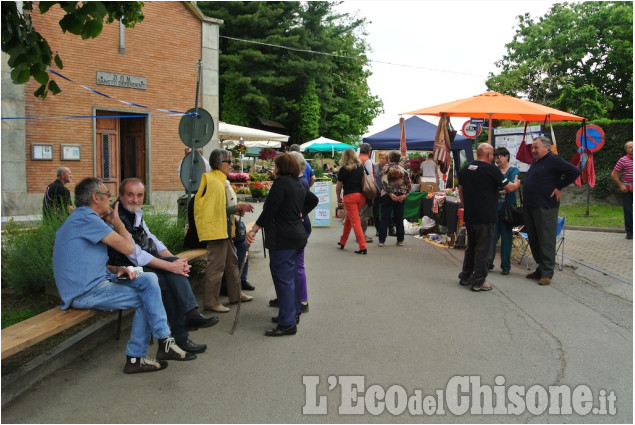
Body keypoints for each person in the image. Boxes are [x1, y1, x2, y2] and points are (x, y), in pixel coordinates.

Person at [53, 177, 193, 374]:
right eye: (108, 196)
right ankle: (144, 352)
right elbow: (128, 247)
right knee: (148, 297)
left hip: (97, 281)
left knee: (149, 280)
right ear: (95, 197)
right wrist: (117, 221)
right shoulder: (86, 218)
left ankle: (161, 343)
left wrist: (116, 270)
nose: (111, 201)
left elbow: (88, 260)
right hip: (84, 292)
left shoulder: (83, 218)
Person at [107, 178, 218, 354]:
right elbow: (133, 253)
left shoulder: (134, 212)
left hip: (138, 264)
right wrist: (170, 266)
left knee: (173, 268)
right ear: (120, 196)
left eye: (139, 195)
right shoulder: (115, 216)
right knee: (163, 281)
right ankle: (182, 331)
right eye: (130, 195)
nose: (135, 200)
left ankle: (187, 321)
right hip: (122, 269)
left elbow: (150, 238)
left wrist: (174, 260)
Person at [245, 153, 318, 336]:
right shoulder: (298, 183)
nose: (273, 169)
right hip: (296, 236)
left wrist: (253, 229)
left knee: (284, 279)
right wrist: (301, 213)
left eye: (275, 166)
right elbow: (313, 200)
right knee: (291, 276)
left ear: (280, 168)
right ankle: (292, 314)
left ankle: (287, 323)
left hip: (283, 238)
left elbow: (269, 210)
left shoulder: (281, 184)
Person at [194, 149, 254, 313]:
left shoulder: (217, 179)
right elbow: (212, 209)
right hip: (216, 230)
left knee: (231, 263)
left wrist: (234, 209)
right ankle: (211, 302)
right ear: (218, 164)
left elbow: (218, 208)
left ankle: (235, 294)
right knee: (216, 267)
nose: (232, 165)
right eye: (229, 162)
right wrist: (236, 207)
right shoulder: (214, 180)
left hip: (221, 229)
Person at [458, 144, 520, 292]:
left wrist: (466, 205)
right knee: (484, 249)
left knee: (471, 247)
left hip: (470, 214)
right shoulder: (492, 169)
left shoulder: (466, 168)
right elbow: (509, 187)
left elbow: (461, 189)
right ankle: (479, 281)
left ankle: (466, 276)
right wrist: (517, 184)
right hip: (486, 215)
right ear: (490, 156)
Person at [523, 136, 581, 286]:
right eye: (532, 147)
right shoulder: (537, 161)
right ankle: (540, 268)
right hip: (530, 204)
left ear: (546, 148)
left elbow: (574, 171)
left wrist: (559, 186)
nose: (533, 150)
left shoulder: (554, 159)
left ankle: (547, 272)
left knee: (546, 239)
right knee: (534, 238)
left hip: (545, 205)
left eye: (536, 147)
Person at [489, 147, 521, 275]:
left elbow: (513, 186)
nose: (497, 160)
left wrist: (502, 189)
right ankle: (488, 263)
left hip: (508, 209)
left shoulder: (514, 170)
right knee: (492, 237)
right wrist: (505, 188)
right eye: (495, 157)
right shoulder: (494, 170)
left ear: (506, 156)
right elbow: (505, 186)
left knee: (507, 238)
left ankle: (506, 266)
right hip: (494, 208)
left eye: (499, 157)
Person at [336, 148, 368, 254]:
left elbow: (338, 186)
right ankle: (342, 241)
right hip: (361, 197)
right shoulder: (360, 167)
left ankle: (363, 246)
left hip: (350, 197)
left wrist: (338, 197)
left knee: (355, 222)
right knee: (350, 219)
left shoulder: (343, 170)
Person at [378, 150, 411, 247]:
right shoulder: (404, 170)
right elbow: (409, 185)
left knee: (384, 217)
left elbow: (384, 183)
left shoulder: (386, 169)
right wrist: (404, 195)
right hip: (400, 196)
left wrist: (390, 193)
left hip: (387, 197)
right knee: (399, 218)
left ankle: (382, 240)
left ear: (390, 159)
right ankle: (400, 240)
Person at [611, 141, 633, 240]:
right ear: (626, 150)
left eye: (633, 146)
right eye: (630, 147)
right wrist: (621, 185)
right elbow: (614, 174)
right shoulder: (622, 160)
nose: (632, 148)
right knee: (628, 211)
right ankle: (630, 232)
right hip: (627, 190)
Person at [373, 152, 394, 237]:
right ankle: (378, 229)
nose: (381, 160)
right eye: (380, 158)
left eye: (384, 158)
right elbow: (374, 176)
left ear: (387, 160)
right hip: (377, 190)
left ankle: (391, 229)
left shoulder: (389, 167)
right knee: (376, 211)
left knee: (386, 211)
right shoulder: (375, 166)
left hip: (386, 191)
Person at [357, 143, 375, 243]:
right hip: (365, 190)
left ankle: (359, 234)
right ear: (369, 151)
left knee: (359, 213)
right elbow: (370, 177)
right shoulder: (367, 161)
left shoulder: (356, 159)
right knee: (365, 213)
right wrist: (372, 189)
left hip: (356, 189)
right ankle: (362, 234)